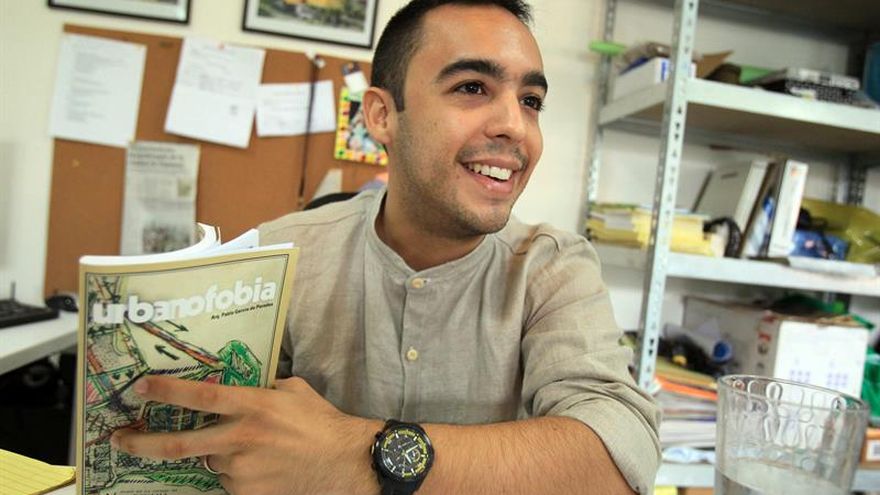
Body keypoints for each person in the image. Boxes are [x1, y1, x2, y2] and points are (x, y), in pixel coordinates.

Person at [110, 1, 661, 493]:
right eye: (472, 88)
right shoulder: (279, 255)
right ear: (380, 115)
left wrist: (351, 454)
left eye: (531, 100)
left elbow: (619, 458)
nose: (516, 126)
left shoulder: (553, 268)